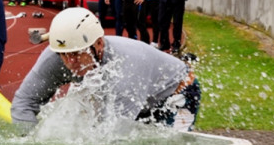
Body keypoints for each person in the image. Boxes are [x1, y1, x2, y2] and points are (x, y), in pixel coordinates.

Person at [11, 8, 200, 131]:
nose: (70, 62)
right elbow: (24, 102)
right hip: (137, 96)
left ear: (99, 44)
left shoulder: (126, 67)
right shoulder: (53, 57)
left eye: (77, 53)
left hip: (177, 92)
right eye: (64, 55)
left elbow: (113, 135)